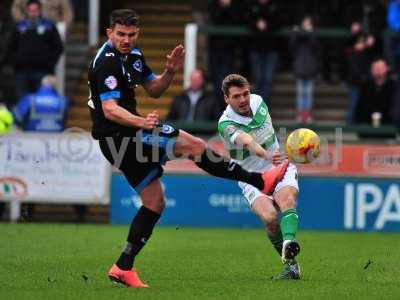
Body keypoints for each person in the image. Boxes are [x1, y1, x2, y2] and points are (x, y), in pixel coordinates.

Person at [88, 9, 289, 288]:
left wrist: (169, 71)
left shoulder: (132, 56)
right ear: (109, 33)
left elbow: (155, 89)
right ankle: (260, 180)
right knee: (194, 146)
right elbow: (110, 110)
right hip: (123, 137)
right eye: (120, 34)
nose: (126, 39)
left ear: (138, 33)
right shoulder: (106, 64)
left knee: (154, 202)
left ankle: (123, 267)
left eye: (131, 35)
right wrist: (141, 123)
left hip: (125, 137)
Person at [218, 74, 301, 280]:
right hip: (251, 176)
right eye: (236, 96)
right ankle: (292, 266)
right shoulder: (226, 123)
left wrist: (272, 157)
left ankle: (289, 242)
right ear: (226, 99)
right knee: (270, 219)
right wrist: (265, 153)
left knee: (287, 201)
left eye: (245, 93)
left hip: (278, 166)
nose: (244, 99)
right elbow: (246, 141)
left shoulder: (258, 101)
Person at [2, 0, 63, 100]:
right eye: (30, 10)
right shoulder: (19, 27)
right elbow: (10, 48)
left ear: (40, 11)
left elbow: (58, 47)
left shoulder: (49, 27)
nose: (33, 13)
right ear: (27, 11)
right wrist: (16, 63)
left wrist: (49, 64)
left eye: (35, 10)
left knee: (42, 102)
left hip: (43, 72)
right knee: (22, 103)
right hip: (22, 73)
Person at [245, 0, 283, 101]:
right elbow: (246, 20)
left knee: (268, 79)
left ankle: (262, 107)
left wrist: (267, 25)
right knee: (257, 79)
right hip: (256, 48)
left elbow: (281, 21)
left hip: (271, 49)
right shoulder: (251, 5)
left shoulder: (275, 6)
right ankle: (258, 107)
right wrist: (256, 24)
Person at [290, 16, 320, 123]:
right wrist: (296, 32)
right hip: (299, 69)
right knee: (300, 93)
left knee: (308, 94)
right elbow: (292, 44)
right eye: (305, 23)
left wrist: (310, 33)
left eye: (309, 23)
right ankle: (300, 115)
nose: (307, 25)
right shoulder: (298, 36)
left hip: (311, 69)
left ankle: (307, 116)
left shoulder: (314, 34)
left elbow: (316, 46)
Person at [354, 59, 397, 125]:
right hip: (367, 125)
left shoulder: (393, 86)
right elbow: (359, 107)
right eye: (375, 68)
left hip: (387, 126)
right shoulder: (365, 86)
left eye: (380, 68)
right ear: (371, 70)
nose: (378, 70)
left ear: (386, 69)